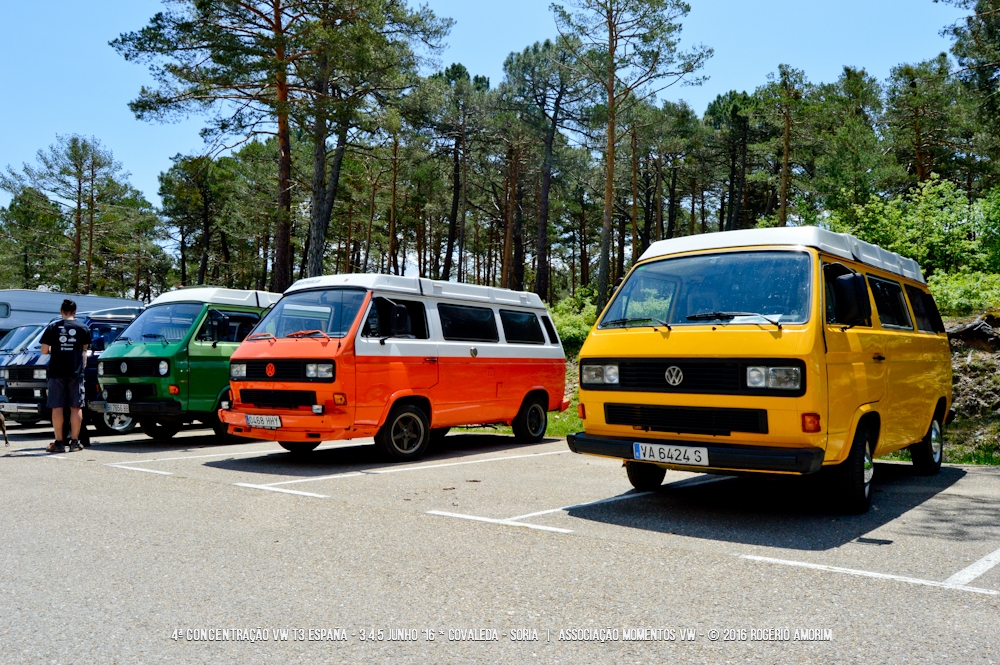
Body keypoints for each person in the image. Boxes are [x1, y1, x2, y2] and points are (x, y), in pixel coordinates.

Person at [40, 299, 91, 453]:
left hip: (57, 372)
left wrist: (55, 351)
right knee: (76, 406)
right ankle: (75, 442)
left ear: (61, 311)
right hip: (75, 372)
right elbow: (84, 351)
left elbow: (43, 351)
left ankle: (59, 442)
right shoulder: (83, 328)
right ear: (75, 312)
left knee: (57, 406)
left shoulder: (53, 327)